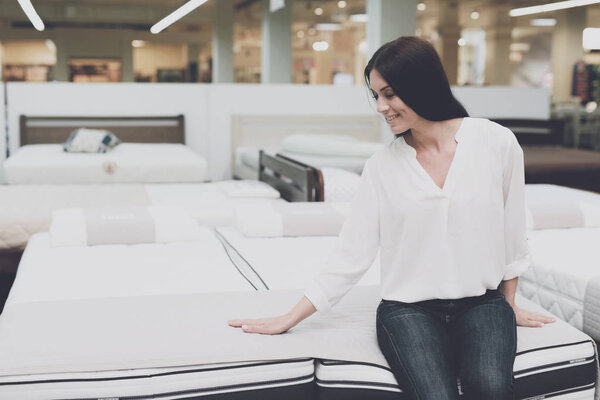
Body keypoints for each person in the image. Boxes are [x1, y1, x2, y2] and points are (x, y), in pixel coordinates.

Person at [228, 36, 555, 399]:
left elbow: (513, 231)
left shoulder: (497, 142)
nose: (381, 107)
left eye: (390, 94)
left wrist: (508, 307)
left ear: (422, 86)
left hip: (482, 303)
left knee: (490, 388)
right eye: (376, 96)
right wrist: (289, 317)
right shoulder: (381, 167)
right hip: (408, 310)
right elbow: (351, 255)